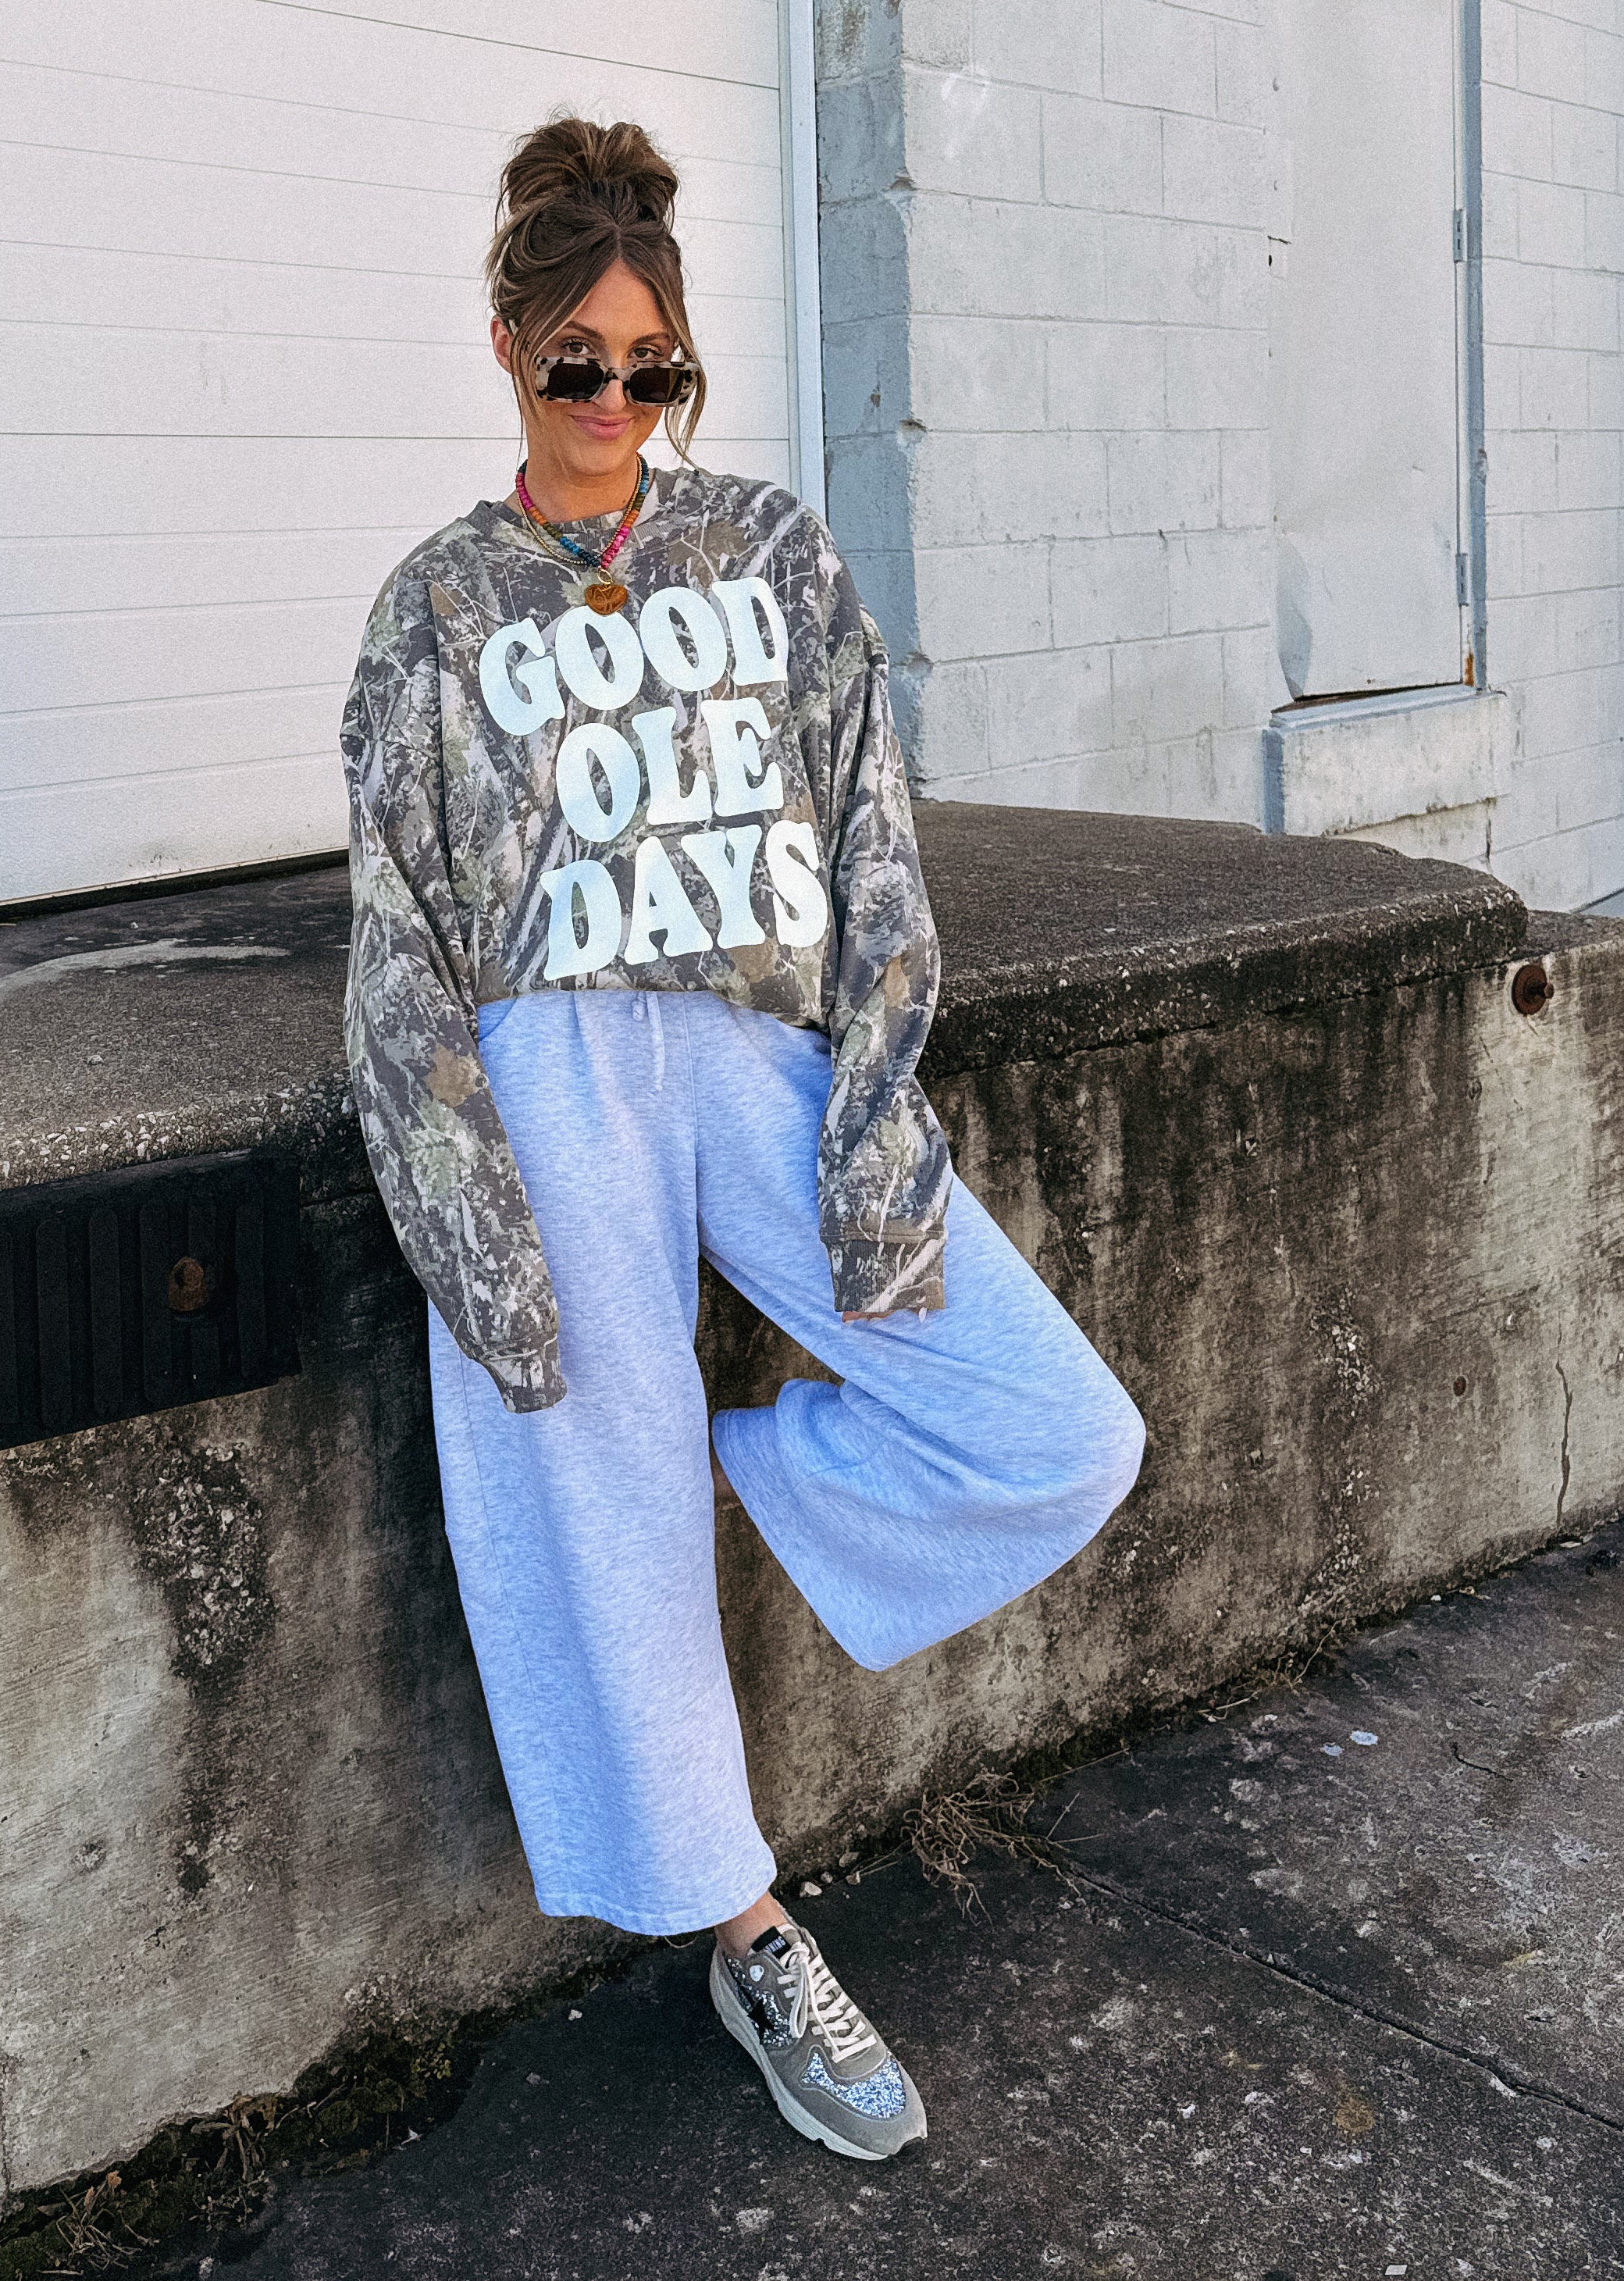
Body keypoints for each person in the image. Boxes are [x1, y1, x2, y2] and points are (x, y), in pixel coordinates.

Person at [340, 115, 1145, 2163]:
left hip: (751, 1051)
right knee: (589, 1499)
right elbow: (399, 951)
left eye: (652, 367)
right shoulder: (434, 607)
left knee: (1059, 1428)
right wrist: (477, 1235)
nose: (612, 402)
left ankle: (734, 1464)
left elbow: (877, 849)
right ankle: (750, 1933)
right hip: (543, 1075)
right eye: (575, 361)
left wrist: (876, 1115)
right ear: (507, 347)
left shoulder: (772, 555)